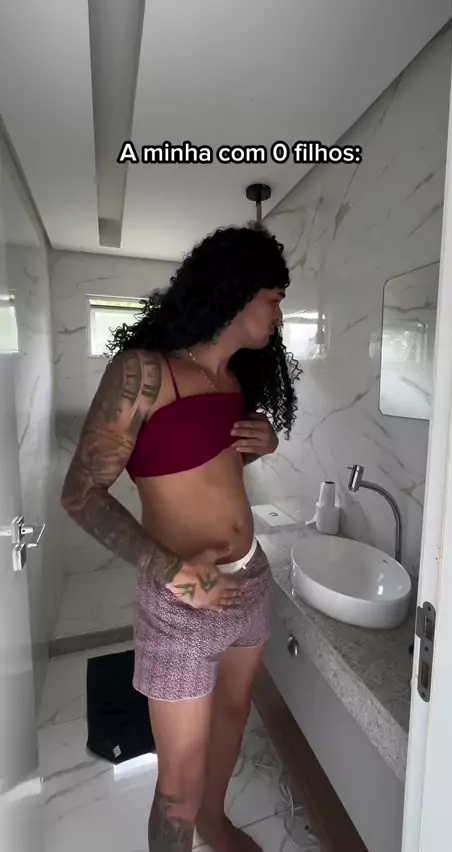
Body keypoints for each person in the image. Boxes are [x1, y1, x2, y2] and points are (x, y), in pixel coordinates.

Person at [61, 222, 300, 852]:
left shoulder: (234, 383)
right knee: (178, 783)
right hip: (181, 600)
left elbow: (203, 471)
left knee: (233, 718)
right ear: (237, 292)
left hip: (251, 581)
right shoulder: (144, 373)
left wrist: (265, 444)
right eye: (274, 298)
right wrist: (173, 573)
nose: (279, 313)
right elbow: (80, 493)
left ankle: (214, 825)